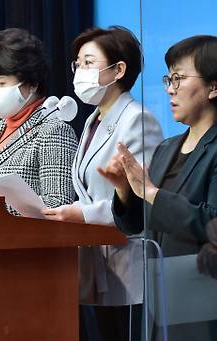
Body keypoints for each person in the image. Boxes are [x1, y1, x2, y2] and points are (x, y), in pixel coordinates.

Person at [99, 35, 217, 341]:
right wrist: (125, 193)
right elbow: (138, 224)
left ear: (215, 88)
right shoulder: (165, 148)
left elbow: (216, 223)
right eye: (168, 78)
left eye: (180, 78)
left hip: (214, 307)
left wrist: (148, 192)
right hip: (165, 301)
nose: (170, 88)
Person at [42, 26, 163, 341]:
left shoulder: (137, 118)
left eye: (88, 62)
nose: (79, 72)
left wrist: (81, 214)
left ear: (118, 70)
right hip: (95, 258)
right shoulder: (92, 119)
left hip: (126, 261)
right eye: (77, 64)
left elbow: (139, 200)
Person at [0, 28, 77, 213]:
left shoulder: (54, 130)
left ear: (32, 83)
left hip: (23, 240)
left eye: (2, 83)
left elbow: (57, 204)